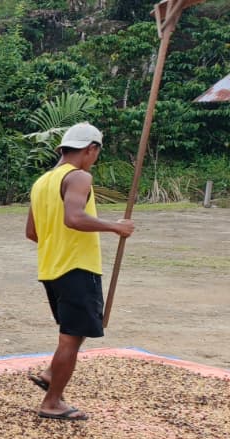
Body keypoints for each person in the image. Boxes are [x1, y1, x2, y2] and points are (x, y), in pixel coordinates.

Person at [25, 122, 135, 421]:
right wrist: (115, 227)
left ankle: (52, 373)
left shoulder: (42, 182)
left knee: (78, 328)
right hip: (76, 266)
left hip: (51, 268)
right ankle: (52, 402)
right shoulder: (79, 176)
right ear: (91, 149)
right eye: (96, 153)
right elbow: (74, 218)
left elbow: (32, 232)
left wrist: (57, 241)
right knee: (71, 338)